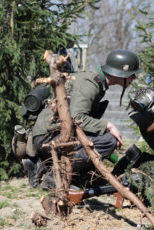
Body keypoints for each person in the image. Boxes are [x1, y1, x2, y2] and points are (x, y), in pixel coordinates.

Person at [31, 49, 141, 187]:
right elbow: (77, 117)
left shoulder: (97, 82)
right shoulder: (90, 83)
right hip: (47, 137)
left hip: (52, 134)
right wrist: (108, 125)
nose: (134, 78)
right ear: (121, 72)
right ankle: (57, 176)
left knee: (103, 137)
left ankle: (77, 176)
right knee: (107, 141)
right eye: (132, 74)